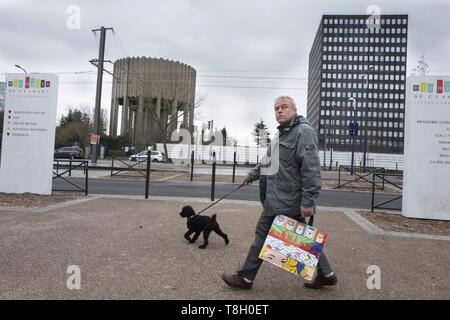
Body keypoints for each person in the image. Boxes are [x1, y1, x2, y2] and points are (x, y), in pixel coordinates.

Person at [221, 96, 337, 290]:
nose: (279, 111)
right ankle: (327, 274)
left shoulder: (304, 131)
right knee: (300, 238)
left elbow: (311, 169)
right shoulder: (280, 135)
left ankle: (246, 278)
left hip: (288, 199)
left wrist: (308, 201)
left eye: (284, 107)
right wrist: (251, 175)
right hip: (275, 198)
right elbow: (267, 161)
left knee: (263, 233)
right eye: (276, 108)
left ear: (294, 109)